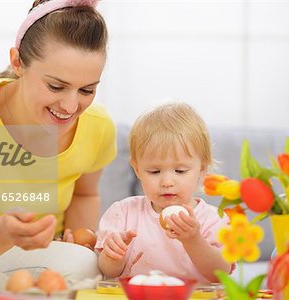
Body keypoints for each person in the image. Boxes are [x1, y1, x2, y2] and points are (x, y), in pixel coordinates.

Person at [0, 0, 116, 278]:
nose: (70, 106)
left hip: (52, 258)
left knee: (88, 264)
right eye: (55, 86)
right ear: (17, 63)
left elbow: (85, 193)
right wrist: (2, 234)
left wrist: (80, 238)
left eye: (87, 90)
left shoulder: (97, 126)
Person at [96, 103, 232, 283]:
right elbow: (109, 271)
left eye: (180, 171)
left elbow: (220, 274)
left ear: (202, 169)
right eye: (154, 172)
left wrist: (194, 240)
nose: (167, 182)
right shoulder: (123, 213)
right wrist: (113, 257)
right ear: (137, 169)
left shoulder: (213, 219)